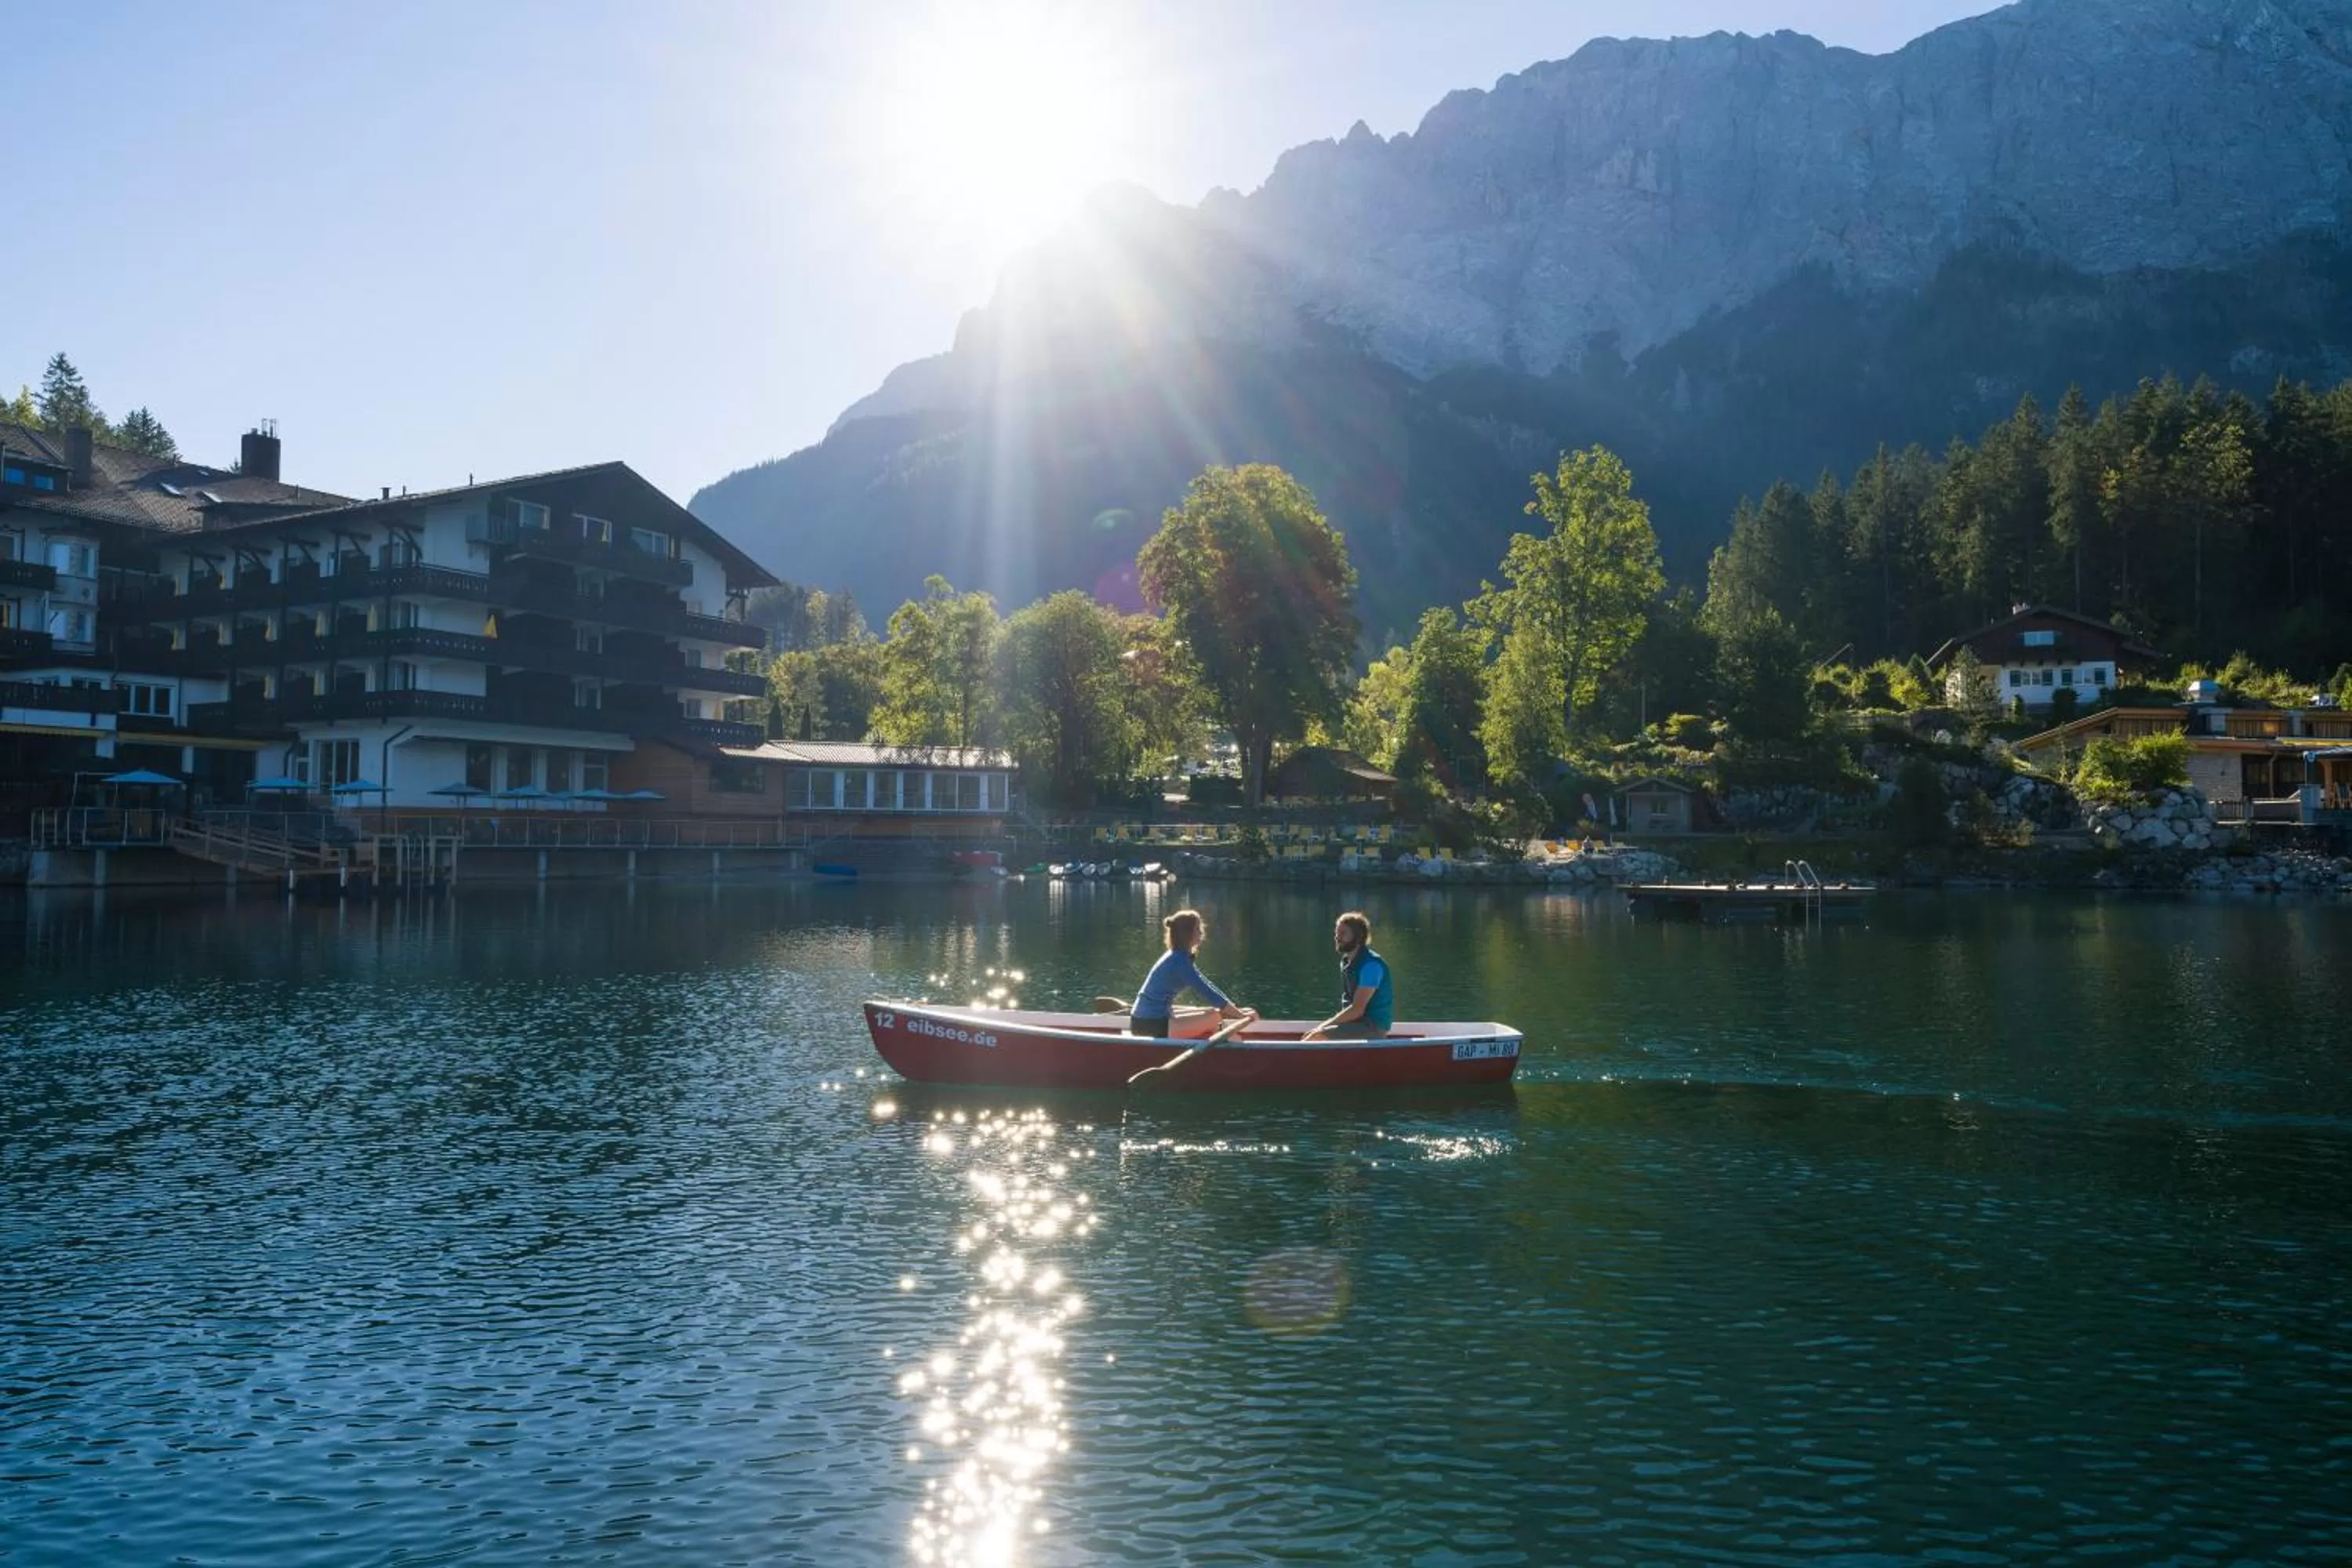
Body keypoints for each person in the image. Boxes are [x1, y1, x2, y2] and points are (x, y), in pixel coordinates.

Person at [1130, 909, 1256, 1039]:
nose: (1201, 933)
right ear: (1187, 933)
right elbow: (1207, 992)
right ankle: (1237, 1049)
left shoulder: (1179, 956)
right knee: (1214, 1018)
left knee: (1213, 1012)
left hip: (1151, 1020)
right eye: (1197, 929)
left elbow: (1207, 984)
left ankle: (1231, 1044)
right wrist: (1240, 1015)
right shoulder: (1179, 961)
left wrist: (1234, 1009)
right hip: (1149, 1025)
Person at [1304, 909, 1392, 1040]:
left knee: (1317, 1036)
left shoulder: (1371, 966)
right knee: (1313, 1034)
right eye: (1337, 932)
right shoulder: (1347, 962)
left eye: (1343, 933)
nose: (1337, 937)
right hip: (1355, 1024)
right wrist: (1325, 1027)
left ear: (1358, 937)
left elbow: (1357, 1010)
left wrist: (1323, 1027)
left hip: (1372, 1027)